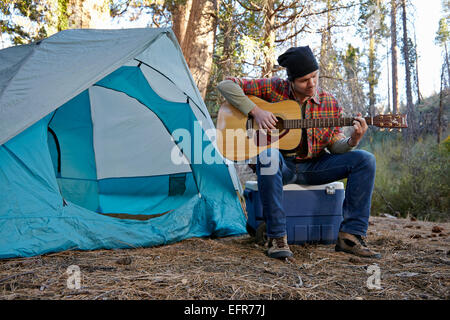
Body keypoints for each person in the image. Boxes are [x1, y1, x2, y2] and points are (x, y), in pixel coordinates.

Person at [217, 46, 381, 260]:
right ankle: (277, 238)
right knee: (268, 156)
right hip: (281, 166)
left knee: (365, 160)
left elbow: (334, 144)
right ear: (291, 81)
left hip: (315, 166)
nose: (311, 83)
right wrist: (256, 111)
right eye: (304, 80)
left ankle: (350, 236)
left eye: (314, 76)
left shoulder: (329, 102)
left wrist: (353, 140)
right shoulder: (274, 88)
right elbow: (225, 85)